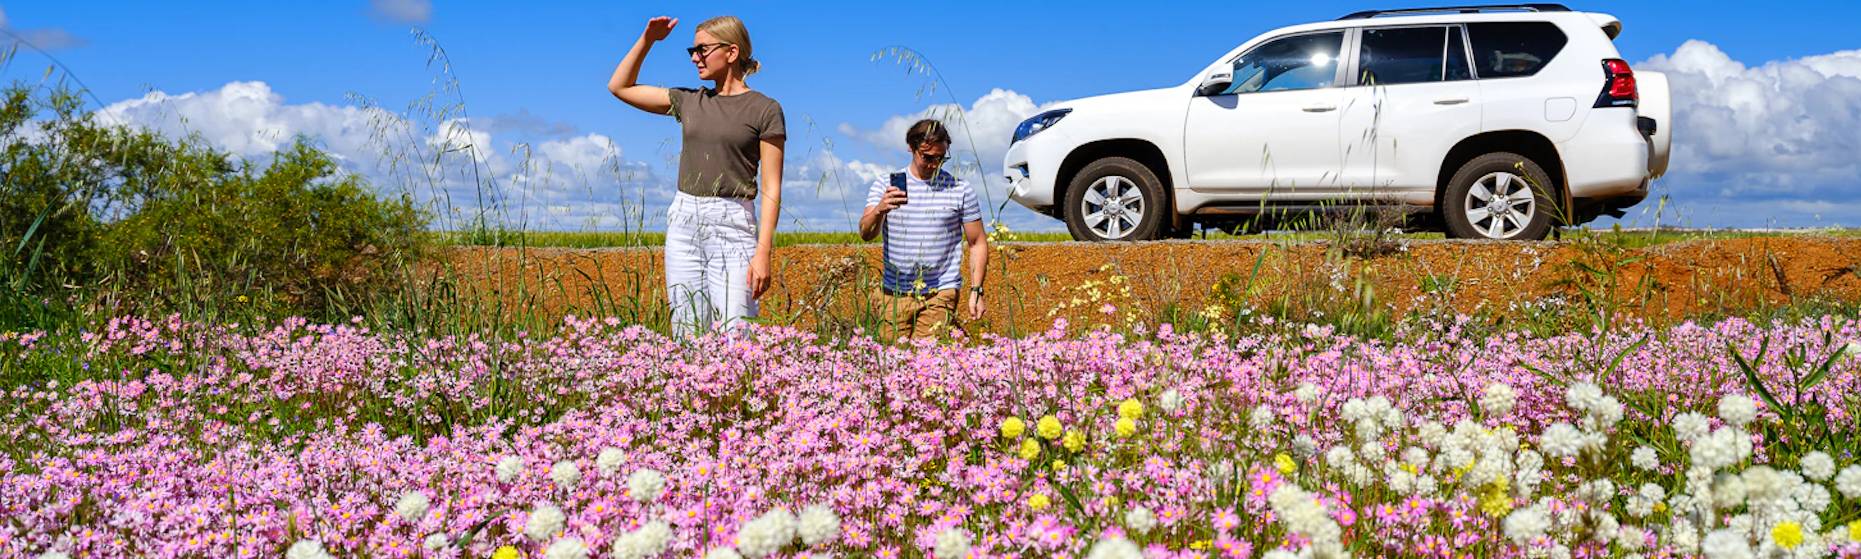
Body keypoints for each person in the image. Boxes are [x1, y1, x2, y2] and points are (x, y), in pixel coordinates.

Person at [607, 15, 785, 335]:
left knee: (737, 330)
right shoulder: (690, 101)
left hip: (734, 221)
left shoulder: (765, 109)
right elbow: (619, 86)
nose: (694, 57)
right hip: (685, 219)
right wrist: (647, 39)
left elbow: (772, 187)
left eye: (701, 49)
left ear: (731, 52)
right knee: (687, 329)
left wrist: (763, 252)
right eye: (692, 50)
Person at [858, 119, 989, 341]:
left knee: (928, 365)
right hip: (894, 292)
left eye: (941, 158)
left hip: (941, 292)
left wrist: (976, 291)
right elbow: (866, 234)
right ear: (911, 147)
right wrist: (880, 209)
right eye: (927, 157)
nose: (934, 164)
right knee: (892, 362)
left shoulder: (960, 189)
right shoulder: (885, 184)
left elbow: (977, 242)